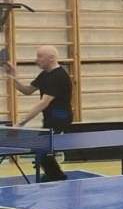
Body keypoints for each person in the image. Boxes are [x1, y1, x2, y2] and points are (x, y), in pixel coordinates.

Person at [2, 45, 72, 180]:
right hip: (50, 119)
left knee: (42, 151)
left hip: (61, 119)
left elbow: (43, 103)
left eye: (40, 56)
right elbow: (27, 90)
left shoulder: (58, 76)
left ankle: (58, 178)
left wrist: (20, 123)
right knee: (42, 152)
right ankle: (55, 177)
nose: (36, 60)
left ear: (51, 58)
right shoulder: (45, 74)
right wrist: (12, 76)